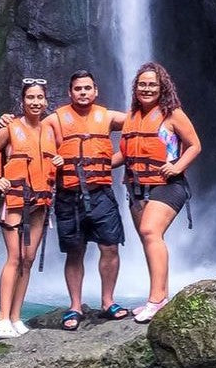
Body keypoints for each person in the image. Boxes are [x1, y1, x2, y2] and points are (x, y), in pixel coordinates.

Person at [42, 71, 131, 331]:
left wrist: (113, 161)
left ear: (96, 91)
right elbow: (30, 128)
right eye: (78, 89)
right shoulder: (55, 120)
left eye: (87, 88)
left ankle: (108, 302)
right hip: (69, 195)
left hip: (101, 192)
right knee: (75, 251)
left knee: (110, 247)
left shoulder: (109, 117)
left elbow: (143, 124)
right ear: (70, 92)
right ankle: (75, 306)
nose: (83, 93)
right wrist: (6, 122)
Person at [118, 62, 201, 323]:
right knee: (149, 239)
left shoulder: (172, 114)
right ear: (136, 87)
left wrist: (176, 167)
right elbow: (125, 151)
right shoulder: (131, 115)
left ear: (162, 86)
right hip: (137, 186)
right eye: (142, 84)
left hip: (168, 184)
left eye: (152, 84)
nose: (147, 88)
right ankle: (159, 296)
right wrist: (97, 165)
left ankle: (156, 301)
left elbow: (194, 145)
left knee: (150, 231)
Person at [0, 79, 60, 340]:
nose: (35, 102)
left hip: (40, 203)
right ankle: (1, 317)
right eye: (30, 98)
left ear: (46, 101)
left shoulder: (50, 130)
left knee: (28, 259)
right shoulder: (10, 128)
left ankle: (16, 316)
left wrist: (58, 160)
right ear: (22, 101)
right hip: (14, 201)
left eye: (39, 98)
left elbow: (55, 157)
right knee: (14, 258)